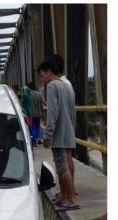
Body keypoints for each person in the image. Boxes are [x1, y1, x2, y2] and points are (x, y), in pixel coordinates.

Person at [38, 60, 78, 210]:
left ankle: (71, 199)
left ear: (49, 72)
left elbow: (52, 113)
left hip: (59, 133)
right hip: (68, 130)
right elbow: (72, 111)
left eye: (42, 75)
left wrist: (47, 135)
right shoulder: (66, 86)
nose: (42, 79)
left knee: (62, 167)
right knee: (63, 165)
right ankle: (65, 196)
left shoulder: (53, 86)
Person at [52, 53, 77, 195]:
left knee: (66, 160)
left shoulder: (60, 85)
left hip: (64, 128)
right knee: (68, 157)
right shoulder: (67, 83)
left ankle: (69, 192)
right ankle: (69, 190)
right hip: (69, 126)